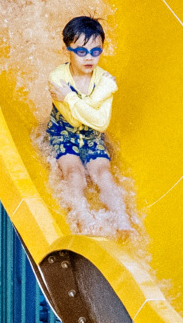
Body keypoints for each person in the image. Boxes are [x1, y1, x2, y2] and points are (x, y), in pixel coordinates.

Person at [46, 14, 136, 231]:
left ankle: (122, 219)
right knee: (74, 173)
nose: (89, 58)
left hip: (92, 135)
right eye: (81, 51)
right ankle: (85, 218)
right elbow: (74, 117)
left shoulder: (104, 79)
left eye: (96, 51)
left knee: (103, 174)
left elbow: (101, 122)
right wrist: (98, 97)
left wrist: (70, 97)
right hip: (63, 132)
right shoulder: (57, 78)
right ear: (66, 50)